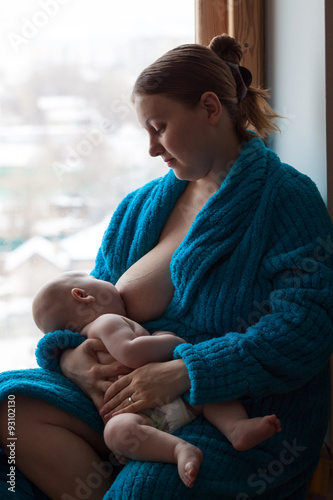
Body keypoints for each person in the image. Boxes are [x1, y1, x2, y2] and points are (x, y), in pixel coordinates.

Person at [0, 33, 333, 500]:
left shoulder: (286, 200)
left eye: (159, 127)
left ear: (211, 108)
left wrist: (185, 370)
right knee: (9, 408)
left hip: (234, 415)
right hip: (126, 406)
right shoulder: (138, 209)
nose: (152, 149)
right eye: (146, 132)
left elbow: (307, 327)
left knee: (147, 489)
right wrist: (73, 361)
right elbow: (87, 310)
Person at [32, 271, 281, 488]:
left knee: (119, 432)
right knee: (204, 390)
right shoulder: (107, 322)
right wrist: (171, 340)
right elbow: (131, 352)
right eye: (97, 279)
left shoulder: (89, 338)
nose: (109, 281)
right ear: (82, 295)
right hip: (170, 397)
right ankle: (227, 429)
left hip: (149, 413)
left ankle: (191, 443)